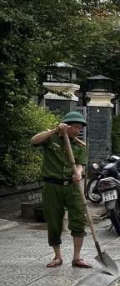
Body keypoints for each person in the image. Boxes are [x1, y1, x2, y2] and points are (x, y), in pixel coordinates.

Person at [30, 111, 91, 269]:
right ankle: (57, 256)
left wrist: (78, 172)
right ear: (67, 126)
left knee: (78, 220)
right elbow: (34, 141)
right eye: (75, 127)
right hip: (52, 186)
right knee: (54, 221)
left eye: (80, 128)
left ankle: (77, 258)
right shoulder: (51, 139)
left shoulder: (79, 145)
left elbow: (80, 165)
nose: (78, 131)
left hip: (72, 187)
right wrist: (54, 130)